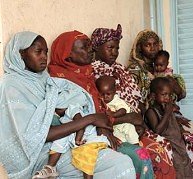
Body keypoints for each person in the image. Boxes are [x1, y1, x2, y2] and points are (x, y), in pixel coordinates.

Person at [0, 31, 136, 179]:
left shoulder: (43, 79)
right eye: (38, 52)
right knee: (120, 164)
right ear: (20, 54)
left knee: (116, 160)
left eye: (46, 52)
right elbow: (36, 136)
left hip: (65, 143)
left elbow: (70, 104)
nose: (44, 57)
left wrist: (90, 120)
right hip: (40, 155)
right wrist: (90, 119)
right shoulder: (11, 86)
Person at [48, 30, 154, 179]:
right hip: (82, 139)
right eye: (84, 47)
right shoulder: (59, 81)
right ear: (67, 54)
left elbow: (102, 107)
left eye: (89, 45)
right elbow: (70, 114)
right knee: (139, 156)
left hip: (104, 129)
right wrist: (104, 125)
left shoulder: (86, 75)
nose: (90, 50)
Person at [91, 26, 177, 179]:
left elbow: (137, 100)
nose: (114, 52)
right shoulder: (94, 72)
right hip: (117, 127)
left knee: (164, 145)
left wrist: (141, 123)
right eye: (110, 48)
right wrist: (132, 119)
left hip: (136, 124)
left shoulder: (121, 69)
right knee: (156, 150)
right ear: (97, 47)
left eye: (117, 48)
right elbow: (101, 109)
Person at [33, 84, 110, 179]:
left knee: (86, 157)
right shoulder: (64, 115)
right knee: (58, 142)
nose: (56, 111)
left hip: (87, 137)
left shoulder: (72, 107)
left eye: (58, 108)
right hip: (73, 135)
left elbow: (80, 123)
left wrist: (78, 140)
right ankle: (50, 168)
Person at [144, 77, 193, 179]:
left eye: (169, 95)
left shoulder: (167, 108)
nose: (167, 98)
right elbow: (157, 131)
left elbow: (174, 124)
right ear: (153, 96)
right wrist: (167, 113)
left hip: (179, 144)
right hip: (170, 148)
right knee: (179, 169)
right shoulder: (151, 112)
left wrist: (182, 131)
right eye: (164, 94)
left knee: (187, 166)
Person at [95, 75, 141, 145]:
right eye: (102, 94)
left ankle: (136, 145)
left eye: (108, 94)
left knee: (129, 130)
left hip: (124, 123)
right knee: (120, 138)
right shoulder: (100, 101)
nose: (105, 97)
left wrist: (112, 114)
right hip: (114, 127)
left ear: (114, 91)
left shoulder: (116, 100)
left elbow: (123, 110)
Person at [127, 29, 163, 101]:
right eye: (147, 45)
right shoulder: (134, 69)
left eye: (155, 44)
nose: (152, 48)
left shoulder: (158, 67)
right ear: (140, 48)